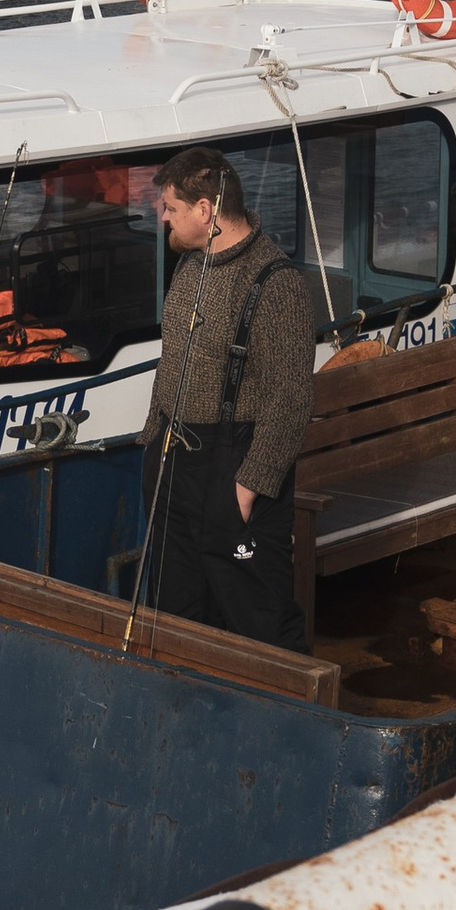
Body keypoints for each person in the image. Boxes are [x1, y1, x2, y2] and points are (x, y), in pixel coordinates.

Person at [141, 148, 317, 652]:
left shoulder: (276, 284)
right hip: (174, 461)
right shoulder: (190, 264)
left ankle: (286, 719)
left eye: (171, 206)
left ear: (205, 211)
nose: (162, 215)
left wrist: (247, 489)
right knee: (175, 613)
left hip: (234, 469)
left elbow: (290, 400)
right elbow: (174, 357)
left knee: (254, 619)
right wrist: (152, 441)